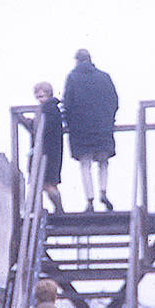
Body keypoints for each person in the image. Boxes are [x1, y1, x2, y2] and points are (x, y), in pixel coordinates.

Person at [62, 48, 118, 212]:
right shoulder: (104, 77)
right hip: (103, 127)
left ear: (77, 61)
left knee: (85, 164)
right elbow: (114, 100)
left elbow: (67, 103)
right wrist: (109, 120)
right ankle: (103, 191)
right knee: (103, 162)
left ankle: (90, 200)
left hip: (80, 129)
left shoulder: (72, 77)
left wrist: (70, 122)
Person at [31, 81, 64, 213]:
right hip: (50, 150)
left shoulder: (48, 108)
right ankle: (59, 208)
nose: (40, 100)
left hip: (47, 152)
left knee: (46, 183)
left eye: (42, 96)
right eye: (38, 97)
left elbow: (46, 128)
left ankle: (59, 208)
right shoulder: (50, 108)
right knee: (48, 183)